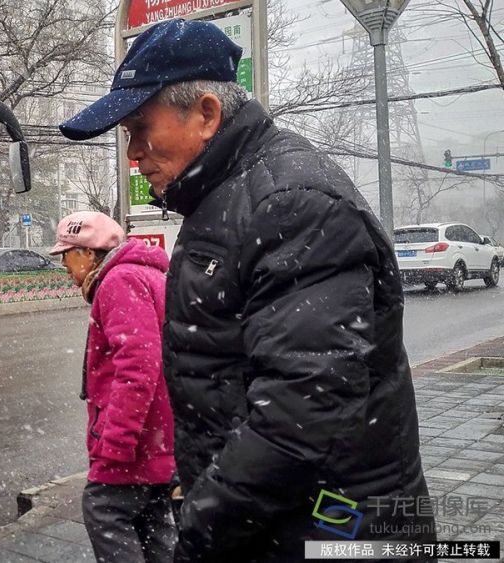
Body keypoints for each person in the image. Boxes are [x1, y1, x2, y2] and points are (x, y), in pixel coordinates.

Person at [59, 19, 435, 562]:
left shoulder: (290, 203)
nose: (134, 153)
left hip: (333, 529)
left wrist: (203, 528)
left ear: (207, 114)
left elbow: (301, 411)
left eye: (141, 128)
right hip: (280, 523)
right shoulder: (226, 198)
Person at [50, 211, 176, 563]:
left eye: (67, 254)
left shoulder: (119, 281)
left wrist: (117, 443)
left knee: (103, 508)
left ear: (89, 254)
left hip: (137, 441)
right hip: (158, 435)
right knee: (153, 523)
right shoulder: (144, 275)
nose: (64, 265)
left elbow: (139, 365)